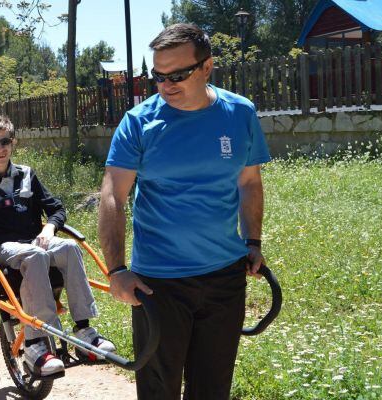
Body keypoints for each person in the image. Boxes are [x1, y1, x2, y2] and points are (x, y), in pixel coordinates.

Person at [98, 23, 271, 400]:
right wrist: (116, 271)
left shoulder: (239, 113)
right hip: (158, 283)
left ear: (207, 67)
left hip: (225, 275)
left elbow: (249, 182)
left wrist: (253, 241)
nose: (166, 85)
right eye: (157, 76)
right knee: (159, 390)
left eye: (178, 74)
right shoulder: (139, 122)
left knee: (213, 388)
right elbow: (113, 197)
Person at [0, 114, 116, 378]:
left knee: (69, 248)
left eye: (4, 141)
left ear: (13, 142)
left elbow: (56, 208)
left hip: (33, 241)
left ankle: (84, 330)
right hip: (0, 250)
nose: (0, 148)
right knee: (34, 255)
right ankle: (36, 344)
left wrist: (49, 227)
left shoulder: (27, 175)